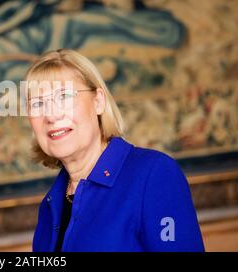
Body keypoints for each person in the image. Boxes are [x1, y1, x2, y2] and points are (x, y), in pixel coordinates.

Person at [25, 49, 204, 252]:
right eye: (38, 104)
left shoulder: (154, 174)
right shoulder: (50, 205)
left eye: (64, 96)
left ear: (98, 101)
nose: (51, 115)